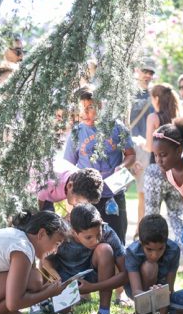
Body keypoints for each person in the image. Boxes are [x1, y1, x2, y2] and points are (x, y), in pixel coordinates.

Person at [64, 86, 135, 245]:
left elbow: (131, 154)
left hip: (113, 193)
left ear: (100, 106)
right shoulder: (76, 133)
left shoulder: (116, 127)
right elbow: (68, 165)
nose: (85, 113)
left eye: (90, 108)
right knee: (88, 240)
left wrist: (122, 166)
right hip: (86, 197)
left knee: (117, 237)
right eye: (82, 109)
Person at [42, 203, 128, 314]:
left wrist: (93, 287)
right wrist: (58, 279)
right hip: (65, 280)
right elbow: (44, 261)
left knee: (105, 249)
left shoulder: (108, 233)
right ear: (74, 232)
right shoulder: (61, 235)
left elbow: (125, 274)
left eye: (98, 234)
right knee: (63, 312)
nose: (95, 241)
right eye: (88, 237)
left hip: (92, 277)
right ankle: (51, 305)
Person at [142, 83, 183, 263]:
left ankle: (150, 252)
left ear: (156, 99)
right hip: (176, 172)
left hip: (156, 170)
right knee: (177, 215)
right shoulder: (180, 118)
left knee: (152, 215)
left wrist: (141, 144)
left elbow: (149, 146)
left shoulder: (153, 118)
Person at [125, 214, 183, 314]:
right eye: (149, 249)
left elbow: (169, 289)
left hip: (163, 297)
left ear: (166, 243)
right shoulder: (133, 252)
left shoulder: (173, 250)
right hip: (142, 294)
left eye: (160, 249)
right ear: (141, 242)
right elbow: (136, 291)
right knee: (150, 266)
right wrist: (151, 294)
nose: (155, 255)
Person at [129, 57, 156, 224]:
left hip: (145, 149)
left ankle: (141, 231)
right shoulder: (125, 92)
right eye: (144, 71)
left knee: (143, 193)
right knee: (113, 192)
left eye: (151, 72)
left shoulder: (154, 95)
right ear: (136, 71)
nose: (147, 75)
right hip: (124, 148)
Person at [33, 161, 103, 212]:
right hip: (32, 192)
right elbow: (37, 206)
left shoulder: (78, 180)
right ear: (69, 185)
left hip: (48, 195)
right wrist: (37, 214)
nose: (77, 205)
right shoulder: (51, 183)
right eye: (77, 201)